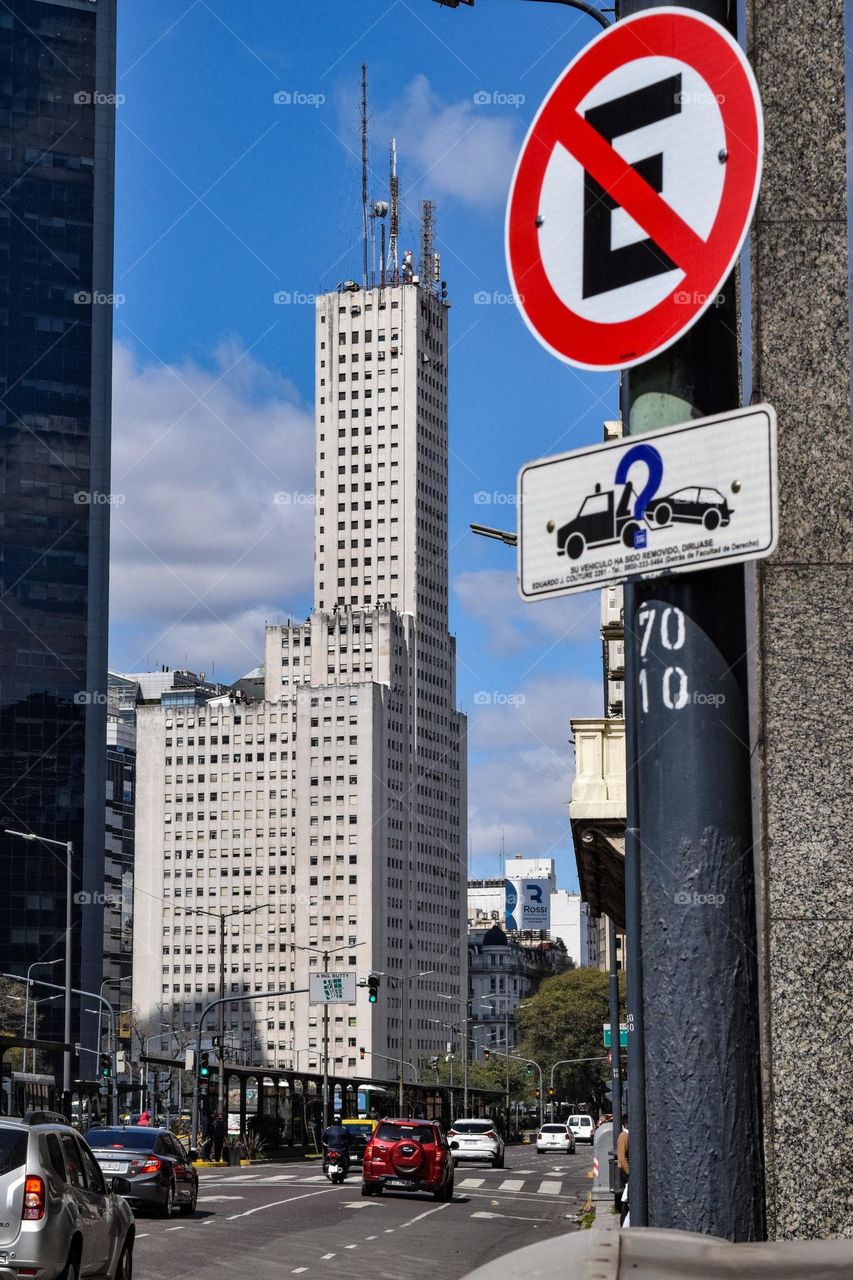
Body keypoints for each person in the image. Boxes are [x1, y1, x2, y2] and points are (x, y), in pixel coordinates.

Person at [616, 1116, 629, 1225]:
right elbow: (621, 1157)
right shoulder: (624, 1136)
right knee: (626, 1198)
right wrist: (629, 1171)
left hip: (625, 1171)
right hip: (625, 1172)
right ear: (626, 1124)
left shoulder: (626, 1135)